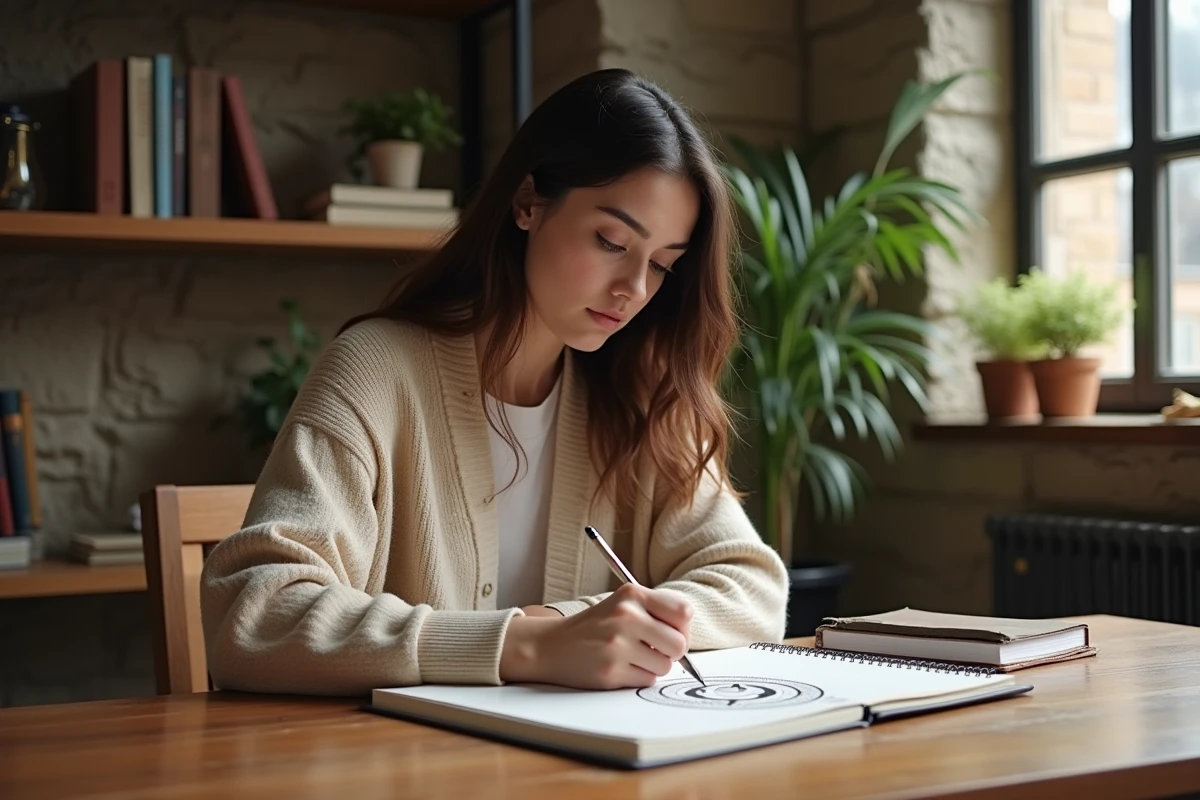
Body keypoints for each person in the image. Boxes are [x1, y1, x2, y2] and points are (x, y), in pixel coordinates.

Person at [199, 68, 789, 697]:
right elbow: (252, 613)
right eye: (612, 241)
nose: (634, 289)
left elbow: (751, 586)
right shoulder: (376, 371)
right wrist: (520, 643)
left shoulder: (640, 392)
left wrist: (572, 626)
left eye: (663, 266)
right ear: (528, 202)